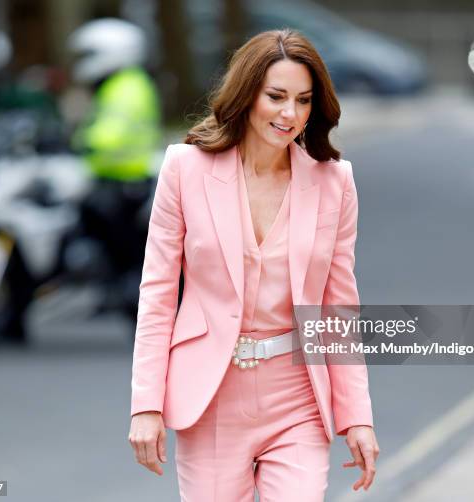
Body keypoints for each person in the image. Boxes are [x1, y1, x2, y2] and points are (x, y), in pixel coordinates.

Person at [128, 29, 379, 501]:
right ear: (247, 94)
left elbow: (338, 307)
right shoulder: (185, 169)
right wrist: (146, 404)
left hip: (298, 396)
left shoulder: (334, 182)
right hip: (211, 398)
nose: (290, 114)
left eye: (303, 100)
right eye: (276, 96)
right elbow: (158, 292)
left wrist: (357, 418)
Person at [67, 18, 162, 309]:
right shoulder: (116, 85)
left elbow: (113, 131)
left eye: (90, 54)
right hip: (110, 175)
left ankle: (125, 286)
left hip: (127, 179)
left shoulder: (128, 86)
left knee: (119, 238)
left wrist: (86, 141)